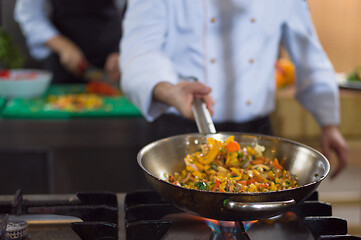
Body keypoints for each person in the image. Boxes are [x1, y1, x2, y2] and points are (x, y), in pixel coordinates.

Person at [120, 0, 348, 178]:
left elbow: (309, 53)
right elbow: (140, 52)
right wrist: (168, 90)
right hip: (180, 136)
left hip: (258, 136)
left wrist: (329, 124)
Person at [14, 0, 126, 83]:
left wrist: (124, 50)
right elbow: (28, 14)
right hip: (61, 65)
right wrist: (63, 46)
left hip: (112, 60)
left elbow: (136, 13)